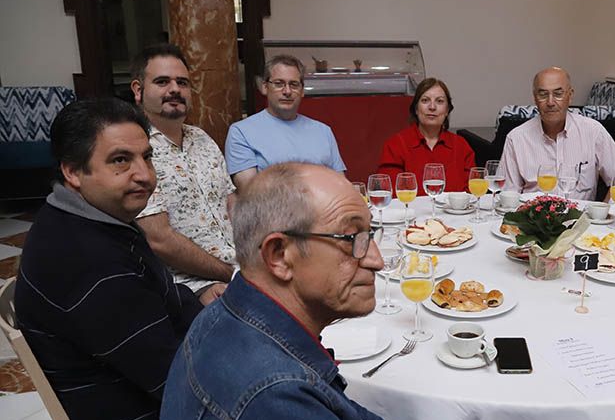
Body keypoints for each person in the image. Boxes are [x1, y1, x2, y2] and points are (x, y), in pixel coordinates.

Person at [158, 163, 611, 420]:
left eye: (369, 235)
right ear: (279, 256)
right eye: (350, 238)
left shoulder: (229, 315)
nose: (375, 258)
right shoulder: (275, 400)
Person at [14, 98, 225, 420]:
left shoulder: (93, 218)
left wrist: (208, 306)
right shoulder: (90, 263)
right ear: (73, 171)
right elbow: (180, 386)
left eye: (146, 157)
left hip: (134, 403)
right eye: (120, 160)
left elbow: (166, 298)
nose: (144, 175)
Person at [130, 43, 237, 292]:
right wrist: (231, 274)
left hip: (237, 265)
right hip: (187, 284)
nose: (175, 90)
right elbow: (160, 241)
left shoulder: (201, 138)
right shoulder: (135, 150)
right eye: (162, 82)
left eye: (183, 83)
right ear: (138, 89)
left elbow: (231, 201)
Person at [225, 54, 347, 192]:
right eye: (279, 84)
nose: (287, 91)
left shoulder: (323, 131)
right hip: (273, 213)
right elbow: (251, 192)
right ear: (265, 87)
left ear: (302, 91)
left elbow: (340, 185)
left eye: (294, 84)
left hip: (325, 211)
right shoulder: (241, 132)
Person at [499, 67, 615, 200]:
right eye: (543, 94)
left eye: (558, 94)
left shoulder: (593, 132)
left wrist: (602, 213)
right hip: (533, 218)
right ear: (535, 98)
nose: (550, 102)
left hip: (581, 218)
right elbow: (508, 196)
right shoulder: (516, 138)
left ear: (570, 96)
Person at [377, 77, 475, 192]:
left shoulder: (461, 146)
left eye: (439, 101)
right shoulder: (395, 145)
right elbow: (390, 193)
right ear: (416, 109)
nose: (432, 107)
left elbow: (471, 193)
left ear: (447, 110)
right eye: (425, 100)